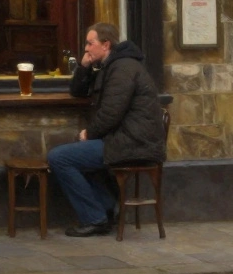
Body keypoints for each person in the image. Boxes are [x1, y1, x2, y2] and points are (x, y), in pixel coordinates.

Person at [47, 23, 166, 237]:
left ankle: (94, 217)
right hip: (123, 139)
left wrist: (89, 134)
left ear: (106, 44)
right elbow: (78, 92)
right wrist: (83, 68)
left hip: (133, 143)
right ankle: (107, 208)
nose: (86, 48)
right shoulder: (109, 66)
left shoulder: (123, 68)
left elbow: (112, 112)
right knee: (77, 157)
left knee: (59, 158)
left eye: (90, 43)